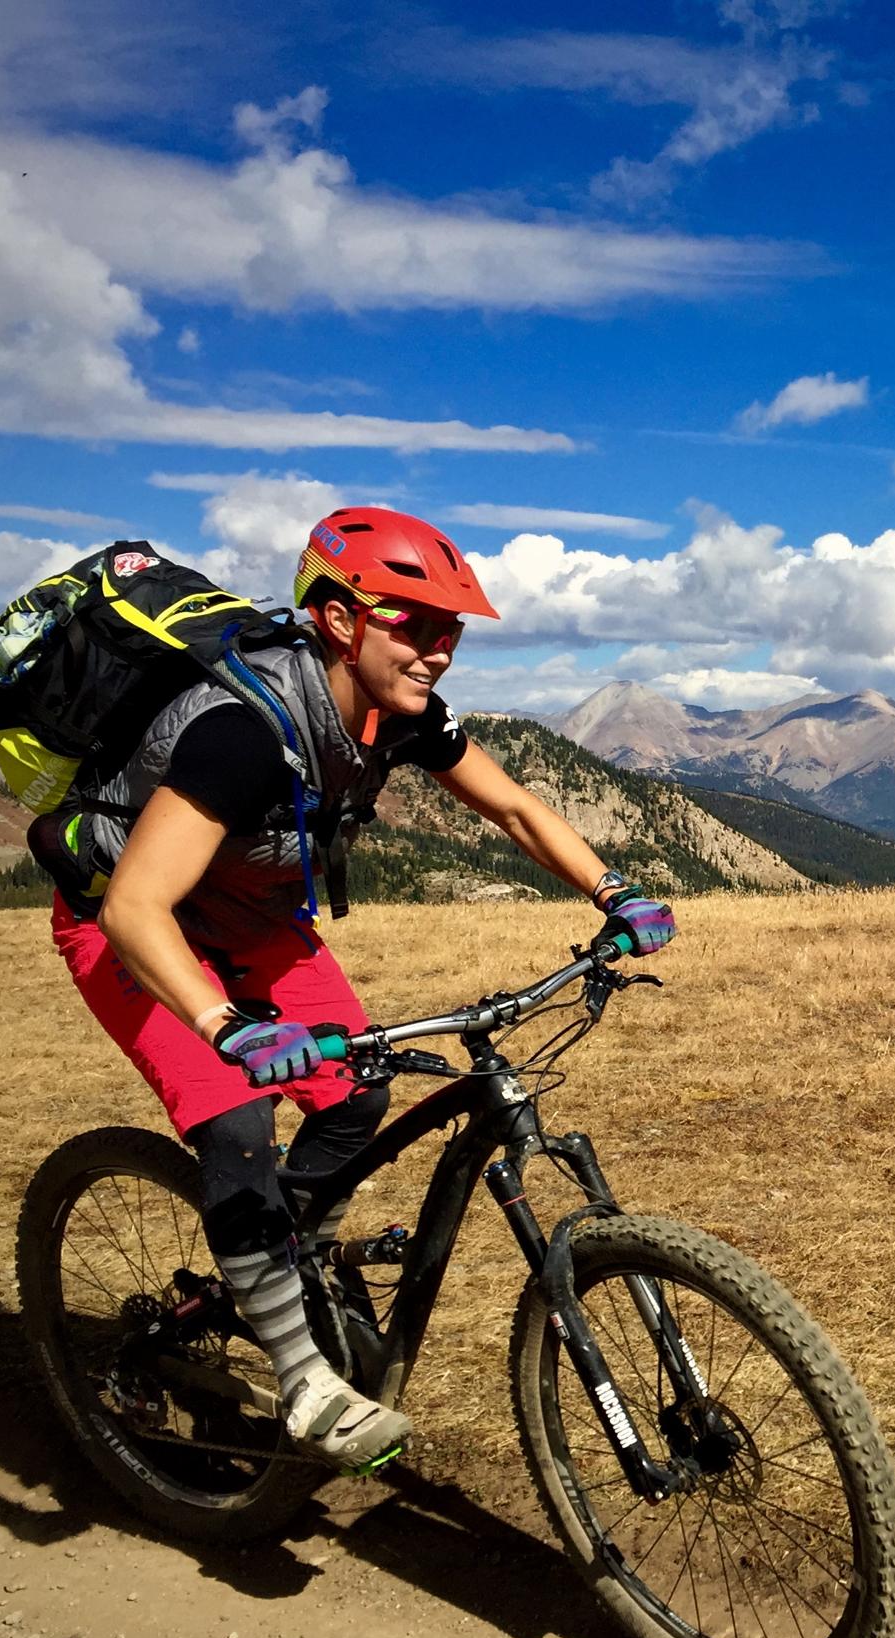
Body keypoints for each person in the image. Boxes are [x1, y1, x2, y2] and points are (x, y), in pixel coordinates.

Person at [42, 507, 674, 1471]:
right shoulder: (241, 733)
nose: (438, 653)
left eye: (451, 632)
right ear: (340, 620)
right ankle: (302, 1381)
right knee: (240, 1123)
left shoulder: (399, 716)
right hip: (134, 928)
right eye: (414, 626)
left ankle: (276, 1258)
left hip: (251, 920)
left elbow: (512, 805)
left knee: (357, 1089)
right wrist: (224, 1027)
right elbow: (135, 907)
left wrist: (613, 890)